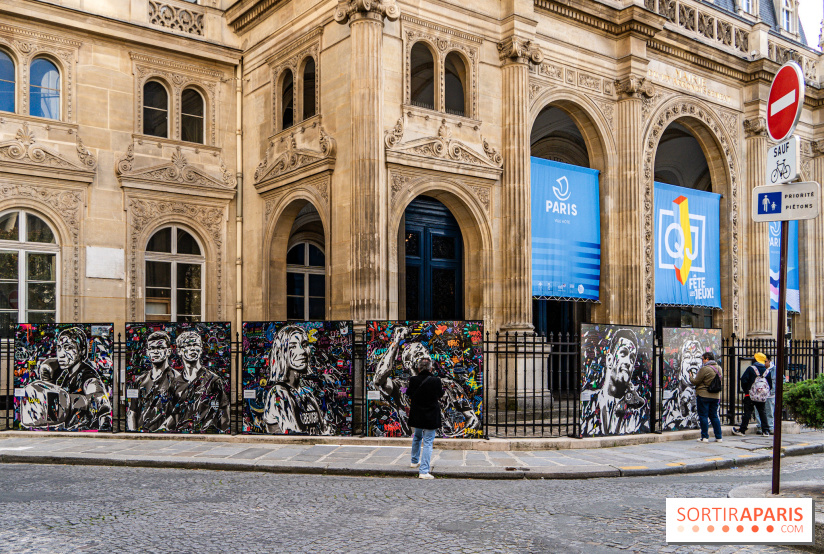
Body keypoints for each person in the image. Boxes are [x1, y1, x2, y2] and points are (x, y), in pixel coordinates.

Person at [371, 326, 481, 437]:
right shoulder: (400, 388)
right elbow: (379, 379)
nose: (424, 354)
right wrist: (396, 342)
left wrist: (452, 438)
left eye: (425, 352)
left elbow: (473, 420)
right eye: (418, 353)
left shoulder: (448, 385)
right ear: (408, 364)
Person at [22, 327, 111, 431]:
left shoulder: (87, 374)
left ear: (82, 351)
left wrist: (70, 402)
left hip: (85, 430)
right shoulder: (66, 375)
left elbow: (99, 398)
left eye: (68, 347)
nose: (61, 354)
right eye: (59, 348)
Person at [262, 325, 332, 435]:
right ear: (281, 352)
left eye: (304, 345)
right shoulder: (278, 393)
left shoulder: (307, 393)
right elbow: (295, 433)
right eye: (292, 346)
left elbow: (323, 428)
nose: (302, 351)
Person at [580, 328, 647, 436]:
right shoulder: (588, 403)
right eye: (623, 353)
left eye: (632, 358)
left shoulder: (637, 410)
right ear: (609, 360)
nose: (628, 362)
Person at [173, 330, 229, 433]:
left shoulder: (214, 380)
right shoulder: (175, 383)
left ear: (201, 349)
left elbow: (224, 414)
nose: (193, 348)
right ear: (179, 351)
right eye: (188, 345)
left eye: (196, 345)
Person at [127, 331, 180, 432]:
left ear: (168, 351)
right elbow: (132, 411)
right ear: (147, 352)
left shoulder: (177, 379)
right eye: (151, 348)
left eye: (160, 347)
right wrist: (133, 432)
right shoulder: (140, 380)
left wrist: (160, 431)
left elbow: (177, 413)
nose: (155, 352)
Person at [407, 357, 443, 479]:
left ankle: (414, 461)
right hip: (430, 415)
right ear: (431, 368)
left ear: (418, 368)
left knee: (417, 437)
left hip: (417, 414)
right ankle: (423, 471)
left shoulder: (413, 380)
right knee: (428, 442)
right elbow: (440, 394)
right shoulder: (436, 381)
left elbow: (408, 394)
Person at [662, 338, 703, 430]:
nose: (693, 361)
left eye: (698, 357)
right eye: (687, 357)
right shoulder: (669, 404)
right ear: (680, 366)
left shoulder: (708, 402)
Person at [731, 352, 771, 436]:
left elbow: (744, 380)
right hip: (761, 396)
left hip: (750, 394)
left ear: (756, 359)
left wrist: (747, 390)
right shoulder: (767, 371)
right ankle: (766, 430)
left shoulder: (751, 368)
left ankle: (742, 430)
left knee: (747, 412)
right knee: (762, 412)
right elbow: (769, 384)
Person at [690, 351, 723, 443]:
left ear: (707, 359)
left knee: (703, 415)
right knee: (714, 416)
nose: (702, 361)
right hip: (716, 396)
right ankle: (719, 437)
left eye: (703, 359)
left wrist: (691, 377)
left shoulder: (704, 369)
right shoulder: (719, 368)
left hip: (703, 395)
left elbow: (696, 381)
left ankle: (704, 437)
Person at [754, 354, 775, 434]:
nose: (764, 363)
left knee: (769, 411)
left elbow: (781, 379)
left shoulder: (774, 370)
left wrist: (774, 389)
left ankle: (770, 427)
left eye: (765, 361)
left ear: (769, 361)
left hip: (770, 394)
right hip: (759, 394)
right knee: (759, 410)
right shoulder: (760, 368)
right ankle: (760, 426)